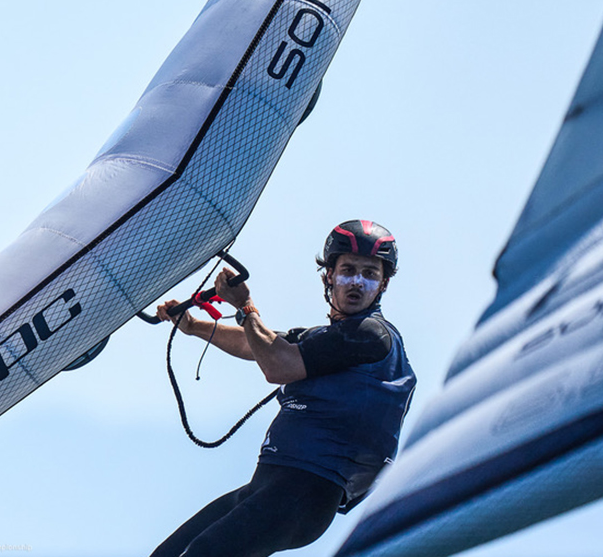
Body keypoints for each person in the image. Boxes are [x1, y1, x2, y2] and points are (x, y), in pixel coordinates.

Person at [150, 220, 415, 557]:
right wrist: (193, 326)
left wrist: (245, 308)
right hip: (268, 485)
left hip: (307, 491)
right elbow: (258, 345)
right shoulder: (326, 337)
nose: (357, 282)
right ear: (329, 274)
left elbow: (278, 365)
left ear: (383, 284)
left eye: (369, 274)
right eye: (348, 270)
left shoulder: (371, 334)